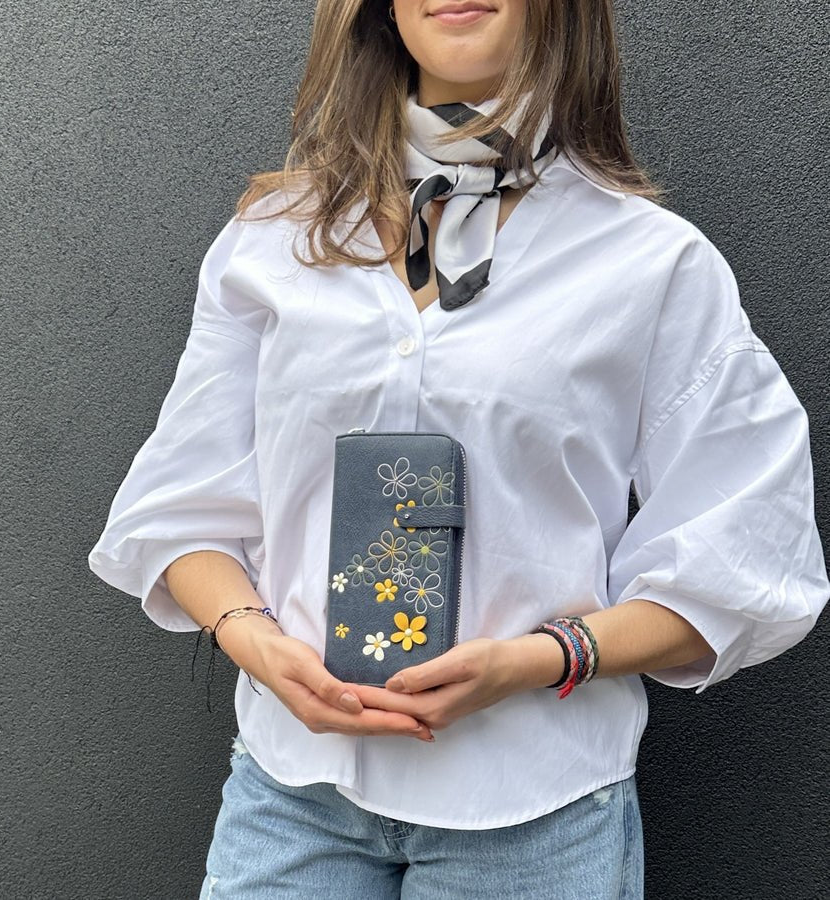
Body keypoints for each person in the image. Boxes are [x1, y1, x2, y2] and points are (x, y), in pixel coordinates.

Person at [88, 1, 830, 897]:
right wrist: (252, 640)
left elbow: (747, 550)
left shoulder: (651, 263)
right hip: (292, 792)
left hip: (535, 808)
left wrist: (534, 660)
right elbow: (184, 501)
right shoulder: (273, 239)